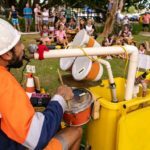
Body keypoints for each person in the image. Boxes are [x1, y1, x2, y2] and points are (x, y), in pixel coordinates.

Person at [0, 18, 82, 150]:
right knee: (75, 131)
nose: (23, 47)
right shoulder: (3, 82)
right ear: (7, 55)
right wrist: (59, 98)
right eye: (19, 43)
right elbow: (37, 136)